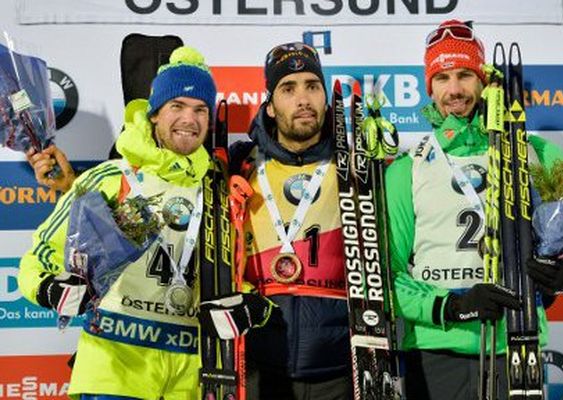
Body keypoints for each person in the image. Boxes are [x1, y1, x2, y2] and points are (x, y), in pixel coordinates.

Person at [18, 45, 271, 400]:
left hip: (191, 375)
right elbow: (40, 256)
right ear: (154, 114)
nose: (190, 118)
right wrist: (48, 288)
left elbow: (229, 268)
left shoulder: (216, 186)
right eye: (177, 106)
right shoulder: (110, 178)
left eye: (200, 109)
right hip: (114, 367)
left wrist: (250, 305)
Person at [384, 19, 563, 400]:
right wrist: (453, 306)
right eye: (443, 77)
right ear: (429, 86)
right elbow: (387, 276)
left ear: (483, 80)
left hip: (516, 342)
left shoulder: (535, 152)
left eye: (465, 75)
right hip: (435, 350)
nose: (454, 90)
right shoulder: (407, 169)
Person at [229, 42, 352, 399]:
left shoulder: (355, 164)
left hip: (337, 366)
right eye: (288, 88)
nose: (303, 99)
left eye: (312, 86)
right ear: (269, 105)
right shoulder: (240, 165)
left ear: (326, 101)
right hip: (257, 366)